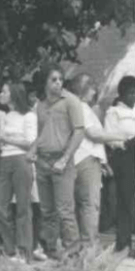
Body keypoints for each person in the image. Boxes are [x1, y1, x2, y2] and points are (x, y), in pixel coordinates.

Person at [27, 63, 85, 259]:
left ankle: (73, 257)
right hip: (42, 163)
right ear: (45, 82)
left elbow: (79, 131)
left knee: (65, 210)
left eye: (60, 79)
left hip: (62, 162)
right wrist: (33, 150)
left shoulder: (71, 101)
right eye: (54, 79)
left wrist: (65, 158)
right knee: (47, 211)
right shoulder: (41, 106)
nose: (58, 83)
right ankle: (52, 253)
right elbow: (41, 134)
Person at [66, 74, 129, 252]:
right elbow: (94, 134)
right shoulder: (81, 108)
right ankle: (89, 246)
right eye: (92, 87)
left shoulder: (77, 107)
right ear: (84, 89)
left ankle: (83, 245)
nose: (95, 91)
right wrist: (121, 137)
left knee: (84, 204)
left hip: (85, 158)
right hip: (86, 160)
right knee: (89, 204)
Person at [0, 82, 37, 262]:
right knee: (1, 207)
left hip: (21, 160)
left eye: (4, 91)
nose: (1, 93)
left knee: (23, 208)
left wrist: (6, 139)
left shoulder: (29, 116)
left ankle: (24, 251)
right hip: (5, 161)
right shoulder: (2, 115)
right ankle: (9, 250)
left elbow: (31, 143)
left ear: (13, 94)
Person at [106, 76, 135, 256]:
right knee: (126, 200)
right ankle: (124, 243)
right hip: (125, 156)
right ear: (122, 94)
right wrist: (125, 143)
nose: (134, 96)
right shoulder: (114, 112)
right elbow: (109, 137)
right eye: (131, 93)